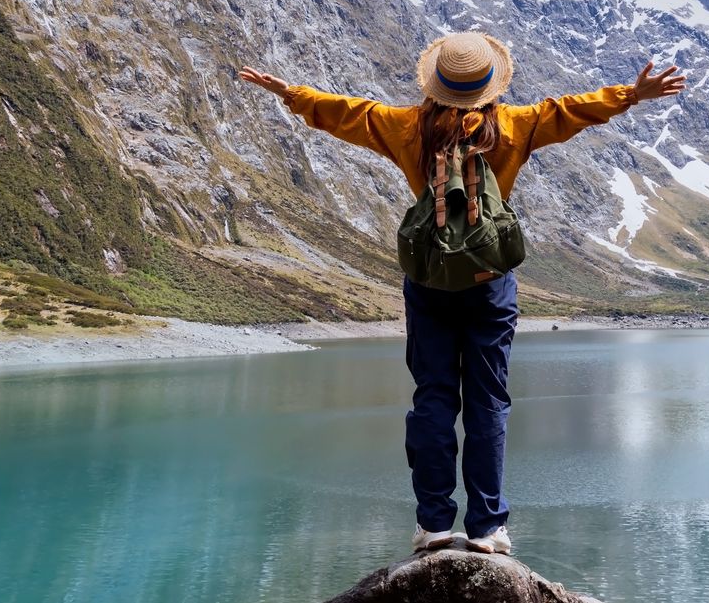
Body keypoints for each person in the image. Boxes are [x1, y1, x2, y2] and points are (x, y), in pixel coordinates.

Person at [238, 31, 684, 555]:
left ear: (437, 86)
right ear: (490, 87)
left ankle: (433, 525)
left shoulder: (407, 127)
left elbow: (348, 113)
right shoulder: (514, 126)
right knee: (487, 402)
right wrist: (630, 95)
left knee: (432, 398)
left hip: (428, 280)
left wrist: (292, 94)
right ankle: (488, 528)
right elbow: (568, 111)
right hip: (490, 284)